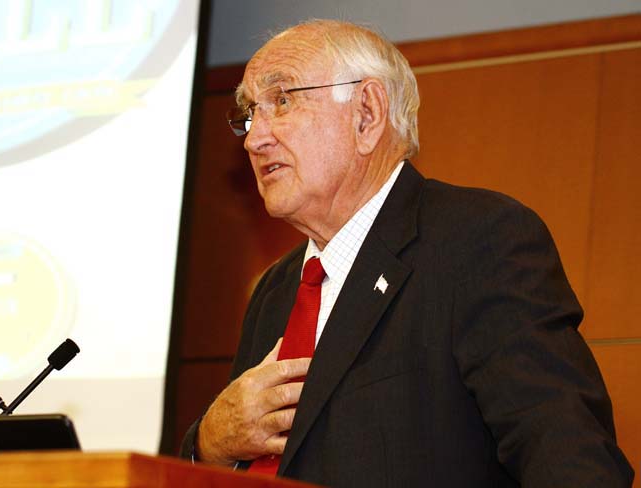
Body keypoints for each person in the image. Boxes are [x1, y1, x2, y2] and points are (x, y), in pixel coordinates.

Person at [181, 19, 634, 487]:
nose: (255, 138)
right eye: (250, 114)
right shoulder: (275, 291)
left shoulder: (478, 241)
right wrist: (209, 445)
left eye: (283, 100)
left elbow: (570, 459)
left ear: (367, 114)